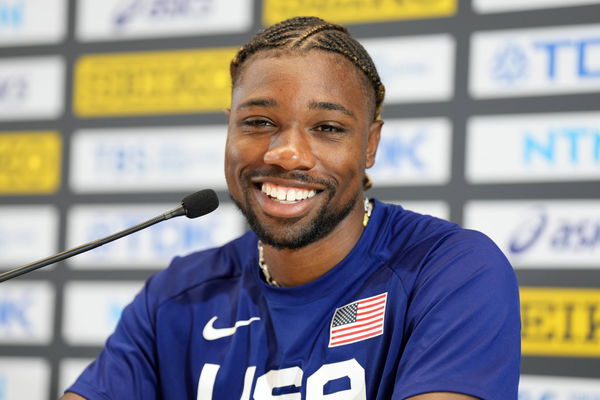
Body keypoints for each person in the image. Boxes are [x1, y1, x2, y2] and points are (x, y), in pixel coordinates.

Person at [61, 16, 520, 400]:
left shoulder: (451, 271)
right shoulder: (176, 294)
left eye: (326, 127)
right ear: (230, 128)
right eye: (258, 122)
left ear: (370, 145)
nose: (287, 153)